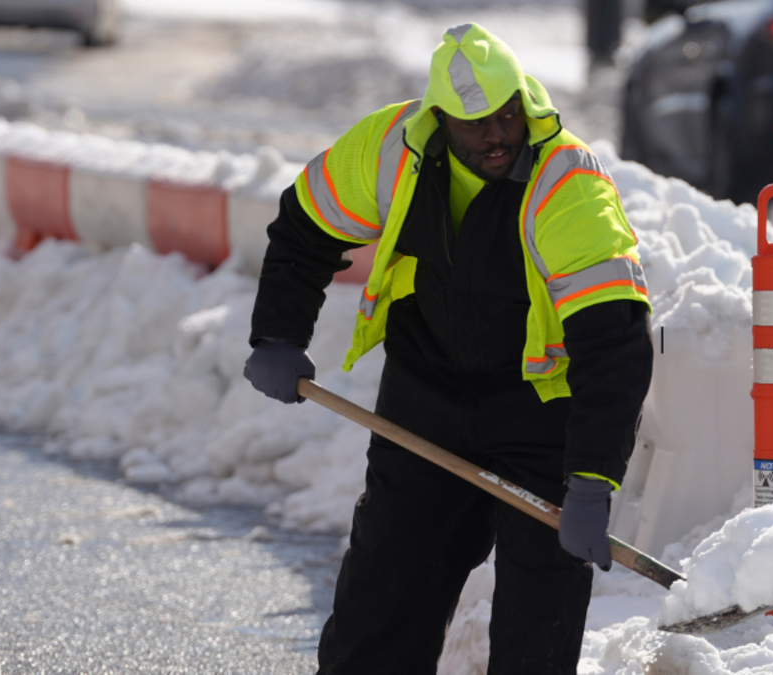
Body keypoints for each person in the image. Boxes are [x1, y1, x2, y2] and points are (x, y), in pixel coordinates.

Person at [243, 23, 653, 675]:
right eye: (474, 123)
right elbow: (304, 226)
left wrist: (592, 479)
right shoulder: (389, 148)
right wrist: (277, 333)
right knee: (384, 589)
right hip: (425, 392)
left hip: (538, 409)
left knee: (537, 624)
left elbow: (615, 339)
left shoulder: (567, 184)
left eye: (506, 114)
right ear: (440, 120)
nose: (495, 134)